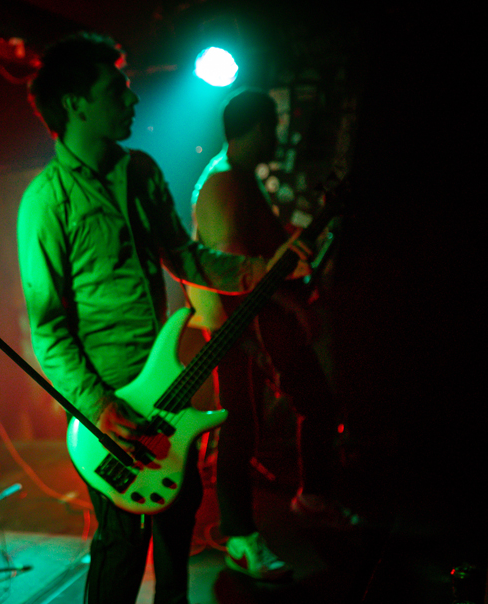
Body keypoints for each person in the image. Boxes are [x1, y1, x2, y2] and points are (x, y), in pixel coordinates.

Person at [17, 33, 309, 604]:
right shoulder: (46, 202)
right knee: (123, 545)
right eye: (116, 89)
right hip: (111, 408)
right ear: (75, 104)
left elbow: (185, 256)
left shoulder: (142, 171)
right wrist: (99, 406)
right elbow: (48, 329)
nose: (132, 99)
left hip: (170, 389)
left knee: (179, 524)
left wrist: (261, 270)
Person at [189, 88, 357, 581]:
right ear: (260, 127)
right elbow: (232, 272)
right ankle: (241, 535)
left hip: (256, 324)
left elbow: (259, 256)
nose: (278, 137)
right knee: (239, 428)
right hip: (238, 329)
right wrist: (278, 317)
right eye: (274, 127)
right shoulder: (223, 182)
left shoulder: (239, 177)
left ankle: (311, 500)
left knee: (299, 410)